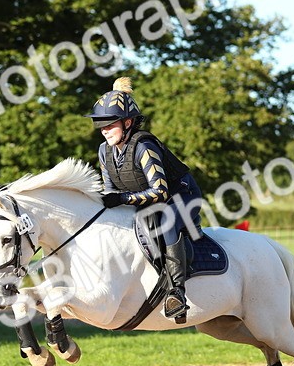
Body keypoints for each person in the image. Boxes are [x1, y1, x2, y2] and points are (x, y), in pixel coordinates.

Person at [86, 76, 205, 323]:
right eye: (101, 125)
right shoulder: (104, 151)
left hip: (181, 197)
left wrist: (123, 198)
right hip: (147, 202)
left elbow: (160, 191)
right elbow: (110, 190)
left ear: (128, 122)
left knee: (167, 222)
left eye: (110, 124)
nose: (104, 130)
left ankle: (177, 294)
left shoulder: (144, 146)